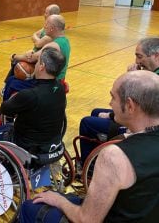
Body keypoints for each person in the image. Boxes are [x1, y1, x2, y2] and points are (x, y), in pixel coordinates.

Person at [19, 70, 159, 222]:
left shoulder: (115, 156)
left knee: (29, 207)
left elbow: (86, 220)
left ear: (130, 106)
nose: (110, 103)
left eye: (113, 97)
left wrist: (59, 201)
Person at [0, 47, 66, 160]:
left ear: (42, 66)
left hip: (29, 147)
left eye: (38, 61)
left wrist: (15, 98)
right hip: (53, 144)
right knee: (5, 128)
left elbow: (5, 108)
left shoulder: (30, 95)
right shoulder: (60, 88)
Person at [78, 37, 159, 166]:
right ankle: (97, 155)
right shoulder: (153, 73)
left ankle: (89, 167)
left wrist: (132, 78)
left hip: (143, 128)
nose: (137, 61)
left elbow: (133, 105)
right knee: (96, 112)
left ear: (156, 56)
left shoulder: (154, 80)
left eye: (140, 56)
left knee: (87, 123)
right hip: (143, 118)